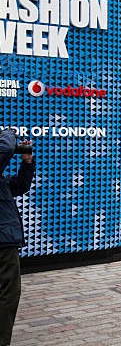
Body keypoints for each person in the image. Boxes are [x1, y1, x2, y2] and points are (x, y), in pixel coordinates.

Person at [0, 128, 35, 345]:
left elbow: (20, 186)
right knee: (9, 294)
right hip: (2, 243)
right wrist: (9, 132)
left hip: (5, 240)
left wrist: (27, 162)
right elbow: (4, 147)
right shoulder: (5, 141)